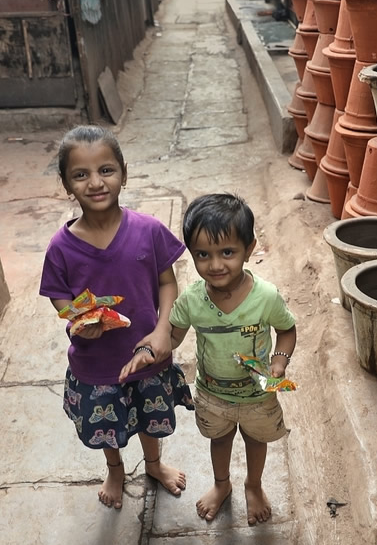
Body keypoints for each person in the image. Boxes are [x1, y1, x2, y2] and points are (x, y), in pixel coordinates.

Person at [40, 125, 194, 510]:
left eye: (106, 170)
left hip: (147, 354)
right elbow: (60, 299)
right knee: (107, 426)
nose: (96, 182)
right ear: (66, 184)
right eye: (81, 174)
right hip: (95, 363)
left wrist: (163, 332)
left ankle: (154, 464)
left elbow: (167, 282)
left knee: (149, 417)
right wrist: (78, 319)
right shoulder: (61, 248)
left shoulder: (149, 231)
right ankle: (115, 470)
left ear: (123, 173)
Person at [120, 194, 297, 525]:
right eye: (203, 255)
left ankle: (254, 486)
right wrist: (150, 348)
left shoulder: (266, 298)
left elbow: (287, 330)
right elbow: (172, 336)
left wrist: (280, 362)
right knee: (220, 439)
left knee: (256, 440)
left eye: (227, 252)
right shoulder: (191, 301)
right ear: (192, 254)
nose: (215, 265)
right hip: (213, 395)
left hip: (259, 395)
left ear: (249, 247)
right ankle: (221, 485)